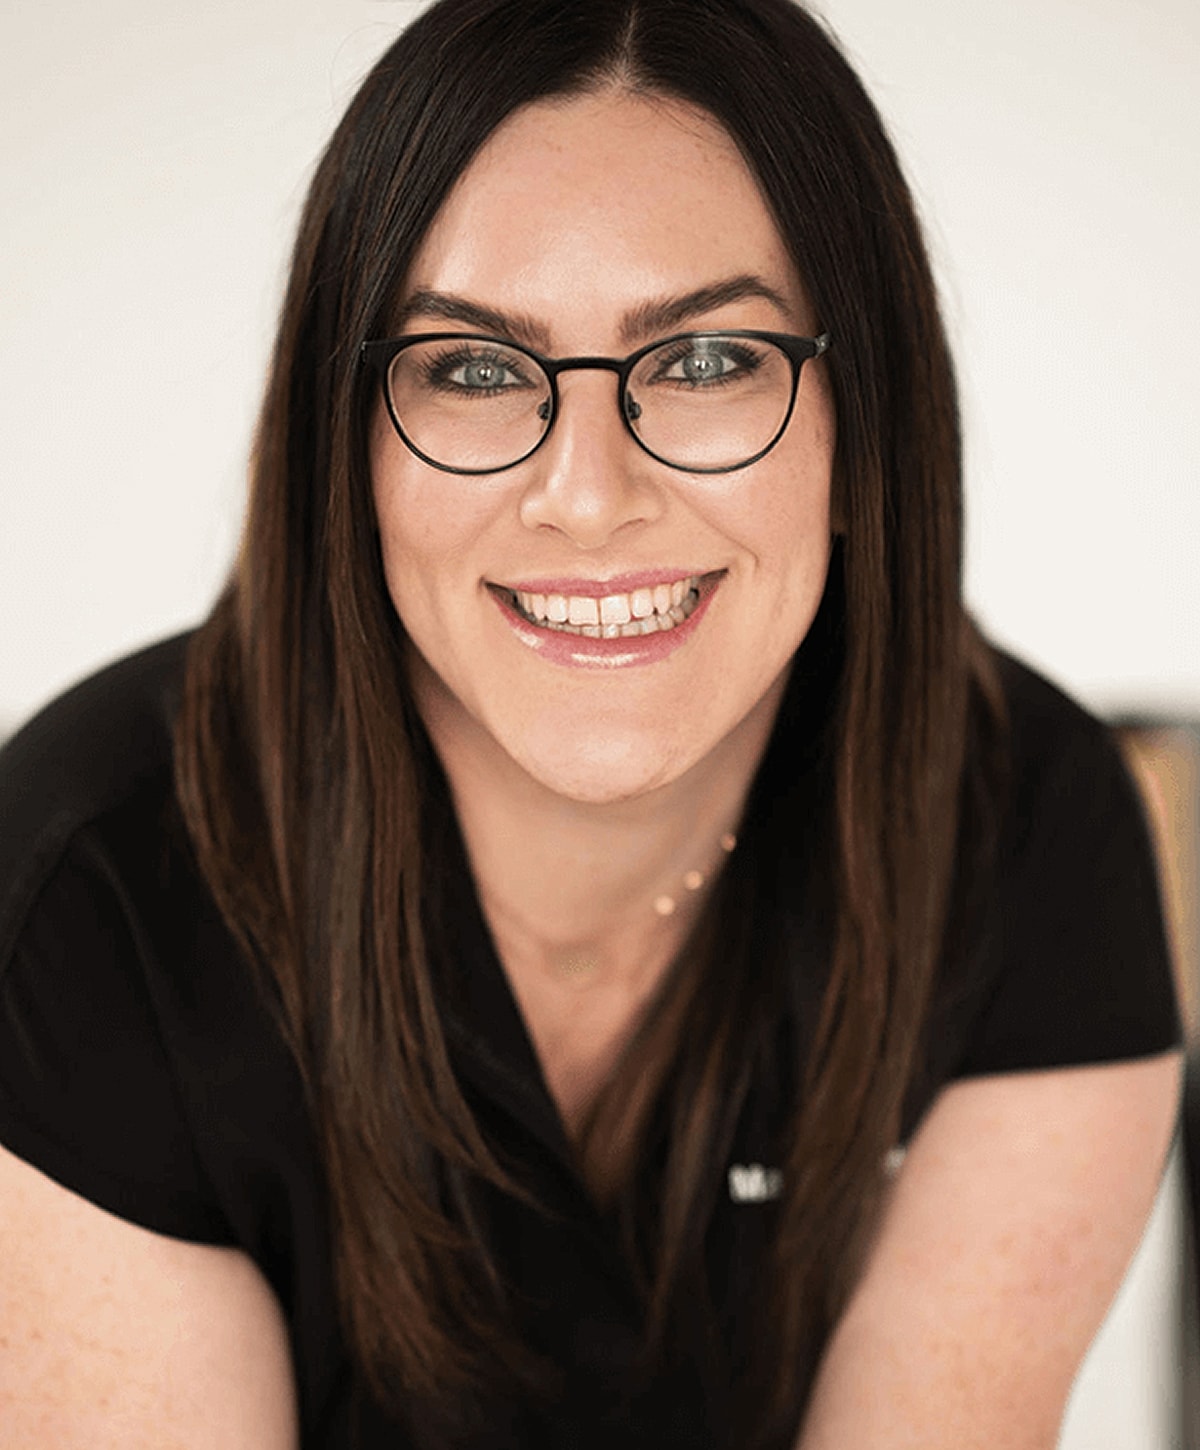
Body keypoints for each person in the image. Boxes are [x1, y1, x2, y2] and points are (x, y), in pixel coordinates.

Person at [0, 0, 1182, 1446]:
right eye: (477, 369)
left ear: (863, 409)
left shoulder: (1029, 834)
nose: (586, 493)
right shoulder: (89, 896)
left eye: (703, 362)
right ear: (348, 439)